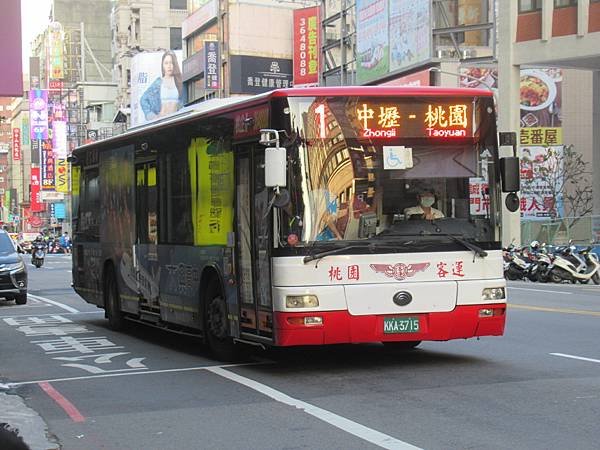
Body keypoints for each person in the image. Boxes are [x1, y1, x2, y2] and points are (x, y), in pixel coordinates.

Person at [140, 50, 183, 121]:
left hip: (176, 120)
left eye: (171, 63)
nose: (169, 66)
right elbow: (143, 99)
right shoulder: (159, 82)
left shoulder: (180, 82)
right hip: (161, 121)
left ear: (175, 64)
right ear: (162, 65)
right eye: (166, 63)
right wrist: (151, 115)